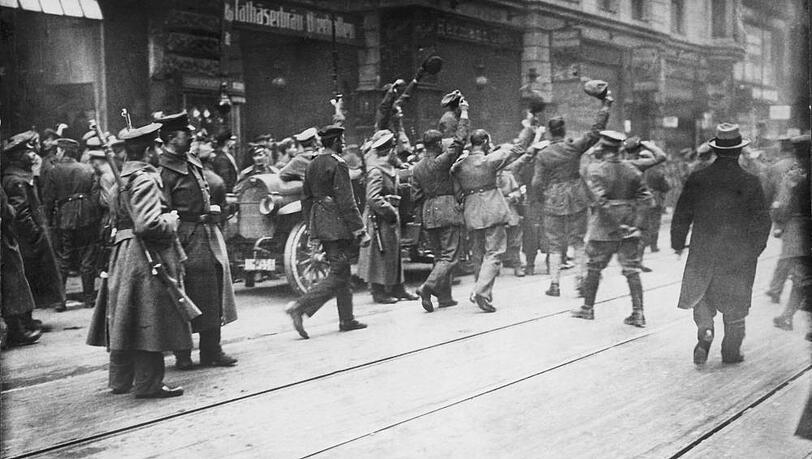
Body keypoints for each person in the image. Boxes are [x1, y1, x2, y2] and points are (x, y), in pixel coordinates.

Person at [86, 122, 191, 398]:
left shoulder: (122, 179)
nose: (158, 151)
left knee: (126, 316)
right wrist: (171, 220)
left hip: (123, 252)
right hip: (143, 254)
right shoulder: (144, 179)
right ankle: (149, 384)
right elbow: (147, 225)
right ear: (147, 150)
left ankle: (121, 380)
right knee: (149, 317)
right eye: (155, 146)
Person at [671, 123, 771, 364]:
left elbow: (682, 213)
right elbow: (762, 221)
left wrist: (677, 242)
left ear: (715, 150)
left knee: (702, 294)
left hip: (703, 249)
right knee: (736, 303)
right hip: (738, 253)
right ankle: (731, 351)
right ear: (738, 151)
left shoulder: (698, 178)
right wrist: (754, 249)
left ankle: (705, 329)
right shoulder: (750, 181)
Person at [157, 112, 238, 369]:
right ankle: (182, 354)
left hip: (206, 233)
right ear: (171, 138)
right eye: (186, 134)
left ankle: (212, 350)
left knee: (212, 289)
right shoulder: (163, 170)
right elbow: (163, 209)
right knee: (183, 293)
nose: (192, 137)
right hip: (182, 237)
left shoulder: (191, 160)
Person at [284, 124, 370, 338]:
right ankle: (300, 307)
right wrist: (360, 230)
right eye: (340, 141)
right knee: (339, 272)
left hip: (321, 222)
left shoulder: (313, 164)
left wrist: (312, 227)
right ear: (334, 142)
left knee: (342, 270)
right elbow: (347, 201)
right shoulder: (337, 164)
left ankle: (347, 319)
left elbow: (306, 198)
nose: (342, 144)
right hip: (338, 224)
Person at [451, 114, 535, 312]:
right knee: (495, 251)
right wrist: (530, 128)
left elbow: (456, 191)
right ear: (486, 142)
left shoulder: (459, 165)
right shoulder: (489, 161)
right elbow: (516, 149)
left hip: (471, 211)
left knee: (478, 254)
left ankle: (485, 295)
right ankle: (481, 290)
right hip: (492, 209)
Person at [531, 92, 613, 297]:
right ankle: (579, 282)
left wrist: (541, 198)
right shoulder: (574, 147)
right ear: (564, 130)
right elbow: (596, 132)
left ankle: (555, 284)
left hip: (554, 198)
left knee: (555, 243)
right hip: (577, 196)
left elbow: (536, 182)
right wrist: (605, 107)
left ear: (550, 132)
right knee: (578, 241)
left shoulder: (543, 154)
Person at [571, 131, 654, 327]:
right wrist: (636, 225)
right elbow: (646, 198)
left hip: (604, 228)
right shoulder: (632, 169)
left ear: (602, 148)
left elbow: (600, 201)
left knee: (594, 267)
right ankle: (638, 313)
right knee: (632, 269)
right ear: (619, 149)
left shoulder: (595, 170)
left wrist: (618, 224)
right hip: (629, 227)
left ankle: (587, 308)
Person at [411, 99, 470, 311]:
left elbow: (415, 196)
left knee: (438, 256)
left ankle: (444, 297)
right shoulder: (441, 161)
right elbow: (460, 141)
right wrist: (464, 113)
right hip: (446, 209)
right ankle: (427, 288)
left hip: (429, 213)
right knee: (450, 256)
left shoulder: (416, 168)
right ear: (437, 145)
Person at [2, 131, 67, 312]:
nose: (33, 156)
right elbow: (21, 213)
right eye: (28, 152)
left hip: (34, 235)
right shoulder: (16, 180)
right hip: (31, 240)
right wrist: (36, 235)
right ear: (18, 156)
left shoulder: (21, 176)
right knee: (31, 276)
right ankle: (27, 318)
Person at [358, 130, 419, 304]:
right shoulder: (377, 170)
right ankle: (378, 291)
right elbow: (372, 197)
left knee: (394, 253)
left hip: (389, 215)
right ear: (388, 148)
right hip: (379, 217)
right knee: (379, 254)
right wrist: (390, 211)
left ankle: (398, 288)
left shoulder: (388, 165)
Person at [43, 138, 99, 307]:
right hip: (87, 215)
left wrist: (49, 220)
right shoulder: (88, 169)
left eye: (58, 150)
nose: (57, 153)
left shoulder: (54, 171)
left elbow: (48, 199)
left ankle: (61, 301)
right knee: (87, 256)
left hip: (64, 217)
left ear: (64, 151)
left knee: (64, 257)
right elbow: (95, 196)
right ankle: (89, 299)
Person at [771, 135, 811, 331]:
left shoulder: (795, 177)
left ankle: (787, 316)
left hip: (799, 230)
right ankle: (787, 316)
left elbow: (783, 204)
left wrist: (778, 223)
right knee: (802, 277)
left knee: (800, 276)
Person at [1, 186, 42, 347]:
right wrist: (11, 209)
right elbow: (6, 211)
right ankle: (16, 331)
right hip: (3, 240)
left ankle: (17, 328)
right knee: (12, 284)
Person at [765, 136, 797, 303]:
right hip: (796, 215)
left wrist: (773, 218)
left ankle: (776, 288)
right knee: (792, 253)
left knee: (789, 253)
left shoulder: (775, 167)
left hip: (785, 214)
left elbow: (769, 193)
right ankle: (776, 288)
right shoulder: (800, 166)